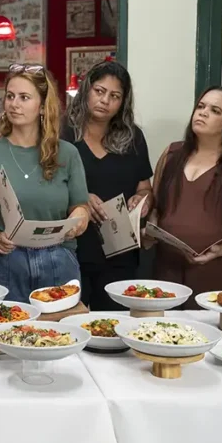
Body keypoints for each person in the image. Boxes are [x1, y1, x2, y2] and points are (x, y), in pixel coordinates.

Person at [0, 64, 89, 302]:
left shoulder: (67, 154)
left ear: (42, 106)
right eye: (10, 96)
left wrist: (80, 221)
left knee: (59, 336)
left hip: (58, 259)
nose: (14, 104)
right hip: (3, 260)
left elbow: (80, 206)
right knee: (2, 333)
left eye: (24, 97)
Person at [147, 85, 222, 306]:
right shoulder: (171, 153)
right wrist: (151, 229)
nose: (202, 113)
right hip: (168, 268)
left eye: (215, 110)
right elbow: (157, 207)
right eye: (201, 106)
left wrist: (220, 250)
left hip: (220, 271)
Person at [66, 60, 153, 310]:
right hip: (72, 248)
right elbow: (47, 186)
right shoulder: (62, 132)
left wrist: (142, 200)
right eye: (100, 91)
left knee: (113, 329)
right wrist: (81, 197)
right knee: (70, 325)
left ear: (122, 102)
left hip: (119, 250)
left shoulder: (133, 137)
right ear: (87, 90)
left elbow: (145, 187)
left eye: (114, 96)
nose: (105, 100)